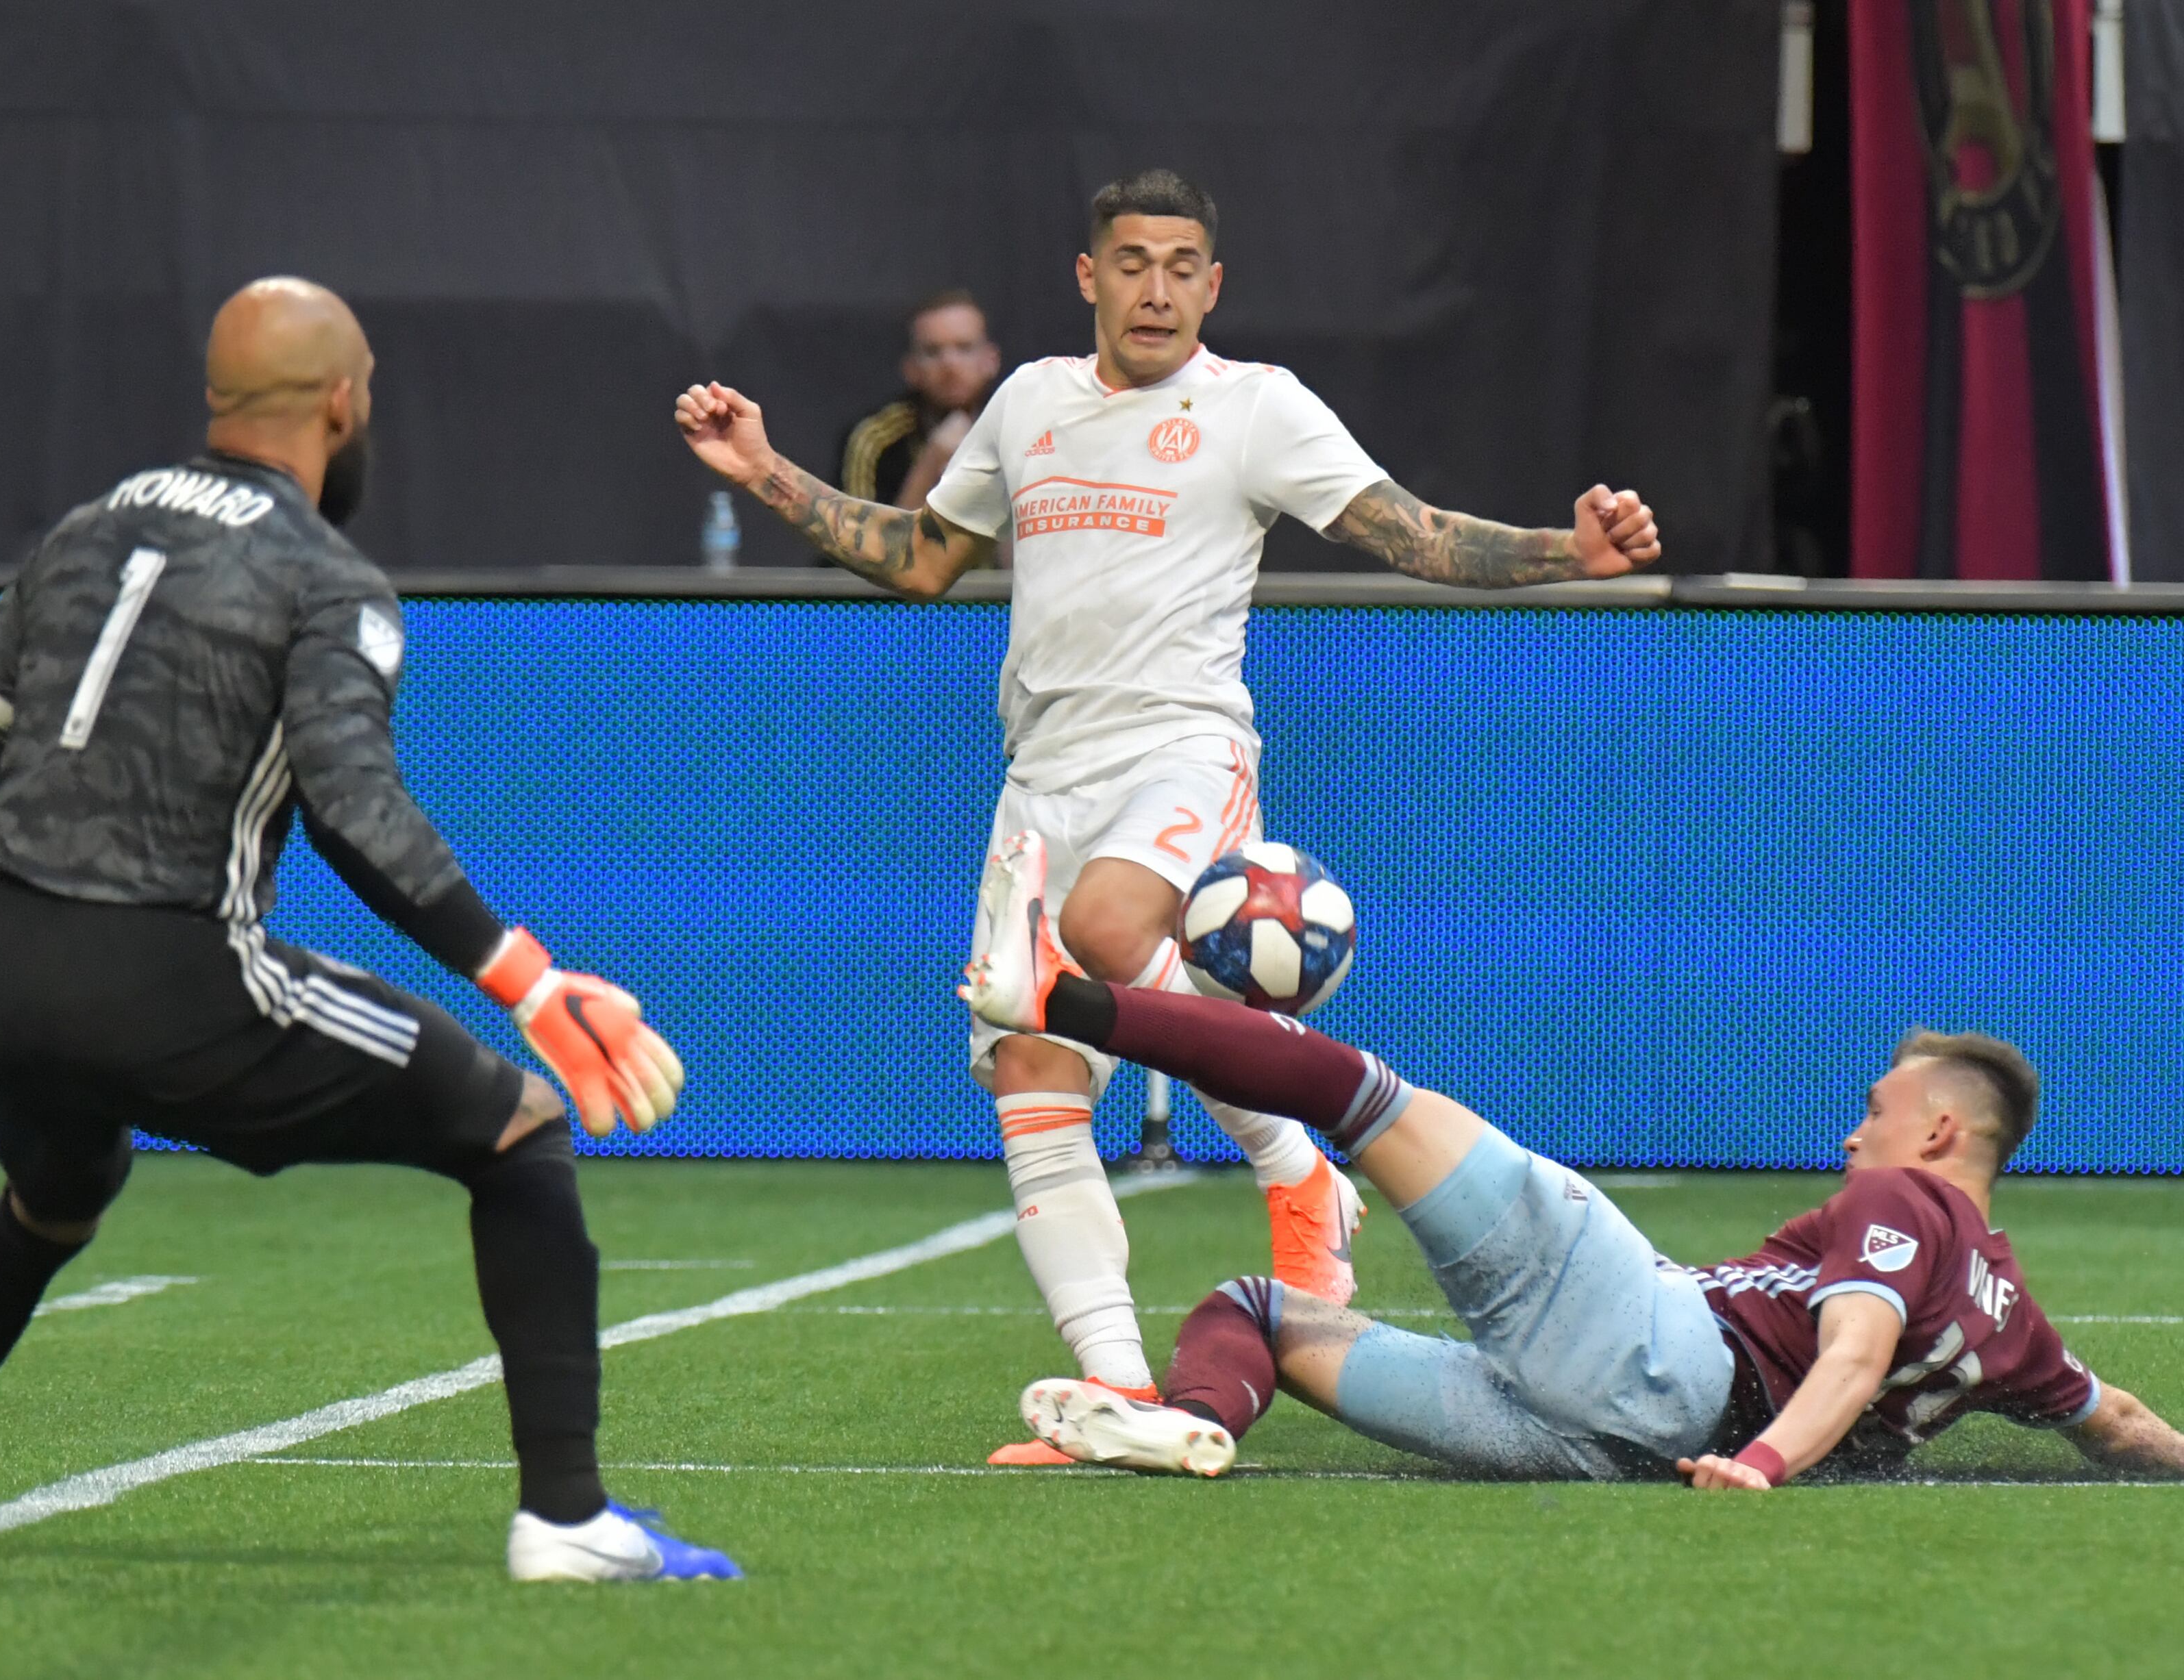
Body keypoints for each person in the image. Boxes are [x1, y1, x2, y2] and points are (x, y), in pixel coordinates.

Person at [675, 168, 1662, 1463]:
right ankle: (1124, 1396)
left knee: (1106, 928)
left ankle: (1293, 1160)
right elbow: (922, 558)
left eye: (1182, 265)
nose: (1156, 288)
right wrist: (763, 470)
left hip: (1184, 750)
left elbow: (1411, 533)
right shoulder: (1030, 400)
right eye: (1132, 262)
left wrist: (1566, 552)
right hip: (1042, 777)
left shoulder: (1256, 407)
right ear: (1090, 276)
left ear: (1213, 284)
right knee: (1032, 1071)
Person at [0, 277, 738, 1581]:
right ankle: (567, 1519)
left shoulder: (83, 534)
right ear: (341, 401)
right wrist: (529, 978)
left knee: (57, 1194)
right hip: (169, 975)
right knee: (519, 1128)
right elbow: (354, 807)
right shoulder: (329, 578)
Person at [962, 833, 2184, 1485]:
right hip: (1600, 1441)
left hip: (1658, 1355)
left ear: (1941, 1132)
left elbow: (1856, 1350)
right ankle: (1190, 1425)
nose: (1853, 1136)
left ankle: (1058, 997)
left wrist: (1762, 1465)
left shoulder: (1907, 1195)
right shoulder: (2015, 1319)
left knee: (1355, 1091)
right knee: (1255, 1313)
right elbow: (2121, 1422)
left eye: (1877, 1109)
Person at [839, 290, 1001, 510]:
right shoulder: (875, 439)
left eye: (965, 348)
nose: (950, 365)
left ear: (991, 360)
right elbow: (854, 531)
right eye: (932, 352)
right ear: (911, 368)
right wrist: (930, 464)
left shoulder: (1018, 428)